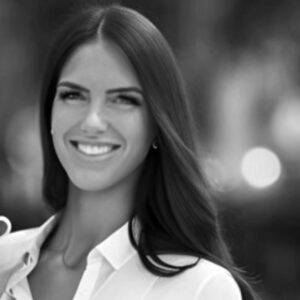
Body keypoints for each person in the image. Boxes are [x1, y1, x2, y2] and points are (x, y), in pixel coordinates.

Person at [0, 3, 258, 300]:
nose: (92, 121)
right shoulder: (5, 259)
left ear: (158, 124)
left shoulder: (200, 287)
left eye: (123, 99)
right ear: (49, 113)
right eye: (73, 95)